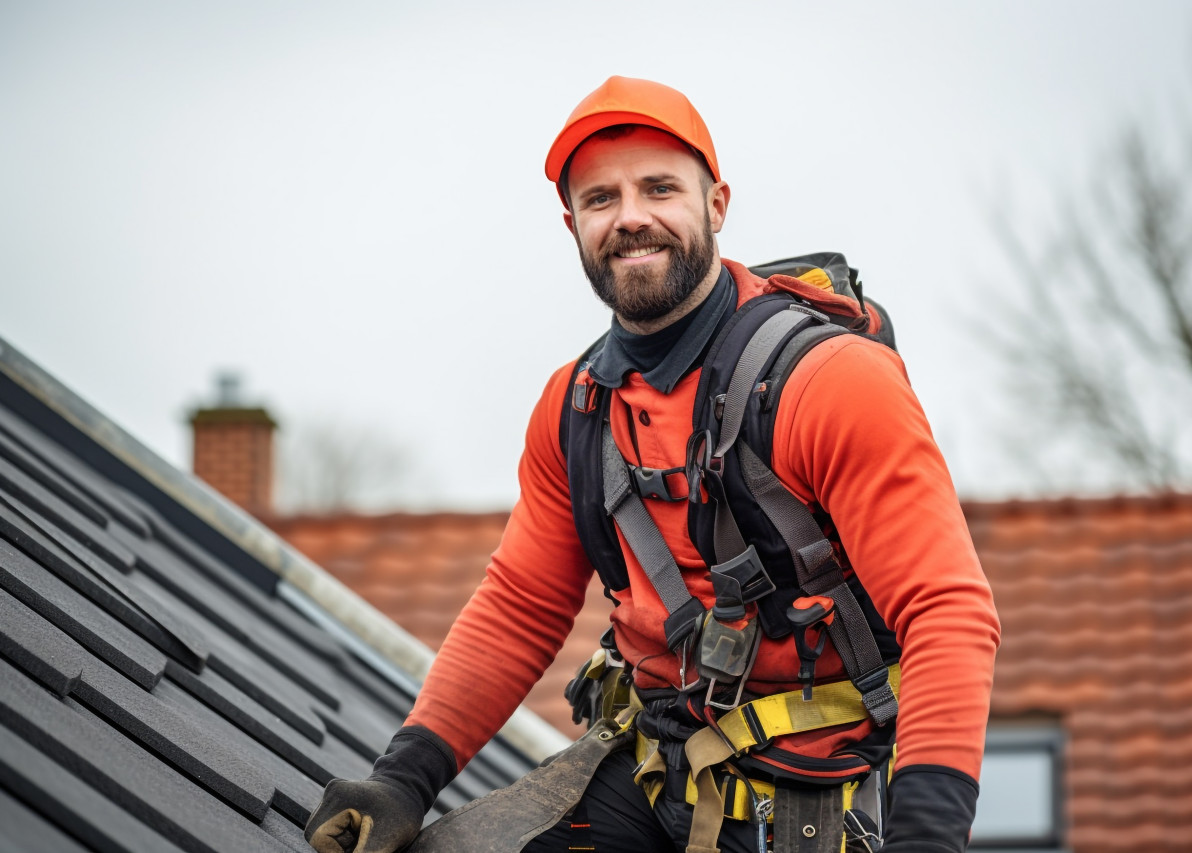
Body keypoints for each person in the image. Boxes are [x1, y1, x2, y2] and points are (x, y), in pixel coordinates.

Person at [305, 76, 1000, 853]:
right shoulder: (576, 409)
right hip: (655, 771)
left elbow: (948, 613)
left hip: (816, 801)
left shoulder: (829, 382)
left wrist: (929, 839)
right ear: (573, 225)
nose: (630, 216)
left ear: (717, 204)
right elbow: (519, 607)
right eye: (601, 199)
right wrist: (402, 781)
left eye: (659, 188)